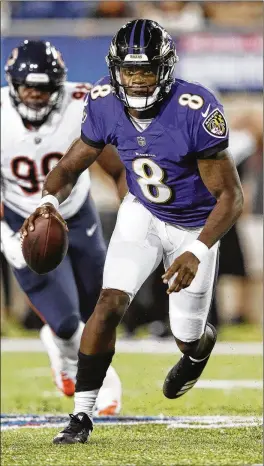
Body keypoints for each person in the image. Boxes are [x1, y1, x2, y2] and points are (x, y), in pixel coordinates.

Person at [21, 20, 244, 444]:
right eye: (129, 71)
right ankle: (82, 415)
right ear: (115, 69)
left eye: (146, 71)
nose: (137, 81)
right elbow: (69, 166)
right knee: (109, 302)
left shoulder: (195, 108)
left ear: (166, 69)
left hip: (195, 224)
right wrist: (47, 202)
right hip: (141, 211)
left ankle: (199, 348)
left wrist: (196, 249)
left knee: (186, 336)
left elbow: (231, 197)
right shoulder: (104, 100)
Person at [1, 39, 125, 414]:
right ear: (13, 84)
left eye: (44, 88)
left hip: (76, 212)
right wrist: (7, 239)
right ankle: (95, 374)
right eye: (29, 87)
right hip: (23, 220)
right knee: (68, 322)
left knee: (101, 306)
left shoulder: (82, 104)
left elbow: (118, 168)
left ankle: (68, 349)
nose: (36, 96)